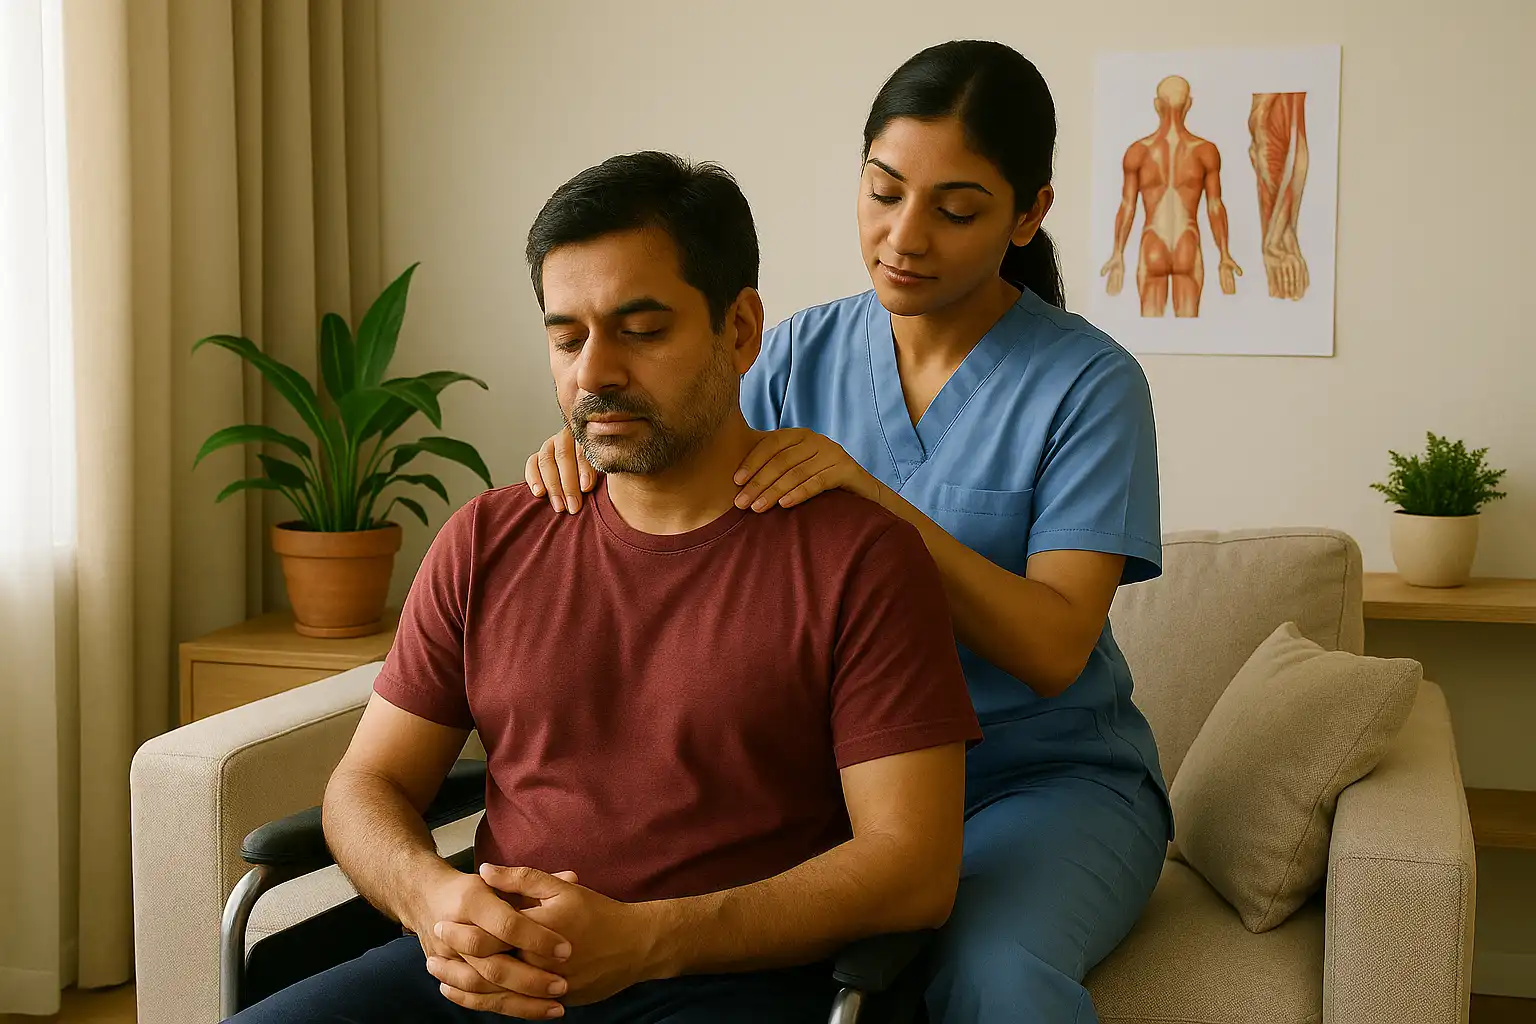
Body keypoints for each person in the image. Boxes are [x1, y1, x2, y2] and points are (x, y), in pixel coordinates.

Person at [230, 152, 981, 1024]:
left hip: (723, 982)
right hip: (487, 971)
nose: (594, 373)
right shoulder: (487, 539)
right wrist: (431, 898)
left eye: (642, 328)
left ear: (740, 330)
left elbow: (912, 868)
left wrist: (648, 939)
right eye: (566, 336)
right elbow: (364, 787)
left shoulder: (861, 561)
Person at [528, 40, 1172, 1024]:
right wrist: (594, 436)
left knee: (987, 975)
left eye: (956, 210)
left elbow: (1052, 648)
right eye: (882, 191)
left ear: (1028, 213)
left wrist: (874, 499)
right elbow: (677, 447)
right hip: (833, 783)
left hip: (1034, 782)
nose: (904, 236)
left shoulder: (1089, 386)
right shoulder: (791, 350)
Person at [1100, 74, 1242, 317]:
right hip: (1188, 240)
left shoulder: (1138, 152)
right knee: (1190, 331)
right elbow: (1215, 206)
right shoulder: (1205, 151)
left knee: (1148, 329)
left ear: (1157, 104)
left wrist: (1118, 254)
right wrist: (1224, 254)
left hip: (1152, 241)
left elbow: (1127, 206)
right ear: (1189, 104)